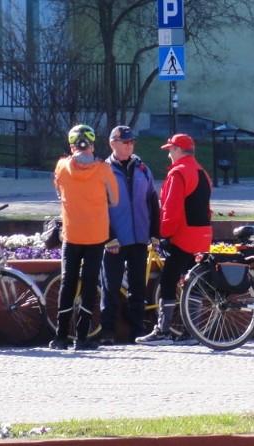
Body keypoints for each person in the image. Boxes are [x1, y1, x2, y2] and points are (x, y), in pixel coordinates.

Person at [135, 134, 212, 346]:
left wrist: (164, 234)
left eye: (170, 150)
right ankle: (192, 331)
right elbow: (206, 208)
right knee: (193, 284)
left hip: (183, 238)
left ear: (178, 150)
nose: (169, 154)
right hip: (202, 237)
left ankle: (163, 331)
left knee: (168, 281)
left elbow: (171, 209)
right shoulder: (202, 173)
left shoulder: (178, 173)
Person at [49, 124, 119, 350]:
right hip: (96, 236)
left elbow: (59, 192)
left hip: (71, 235)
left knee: (68, 283)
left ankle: (60, 337)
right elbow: (114, 200)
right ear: (92, 145)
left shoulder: (61, 167)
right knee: (89, 284)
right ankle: (81, 337)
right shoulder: (103, 169)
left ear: (71, 146)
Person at [99, 126, 161, 345]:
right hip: (115, 240)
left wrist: (154, 233)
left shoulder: (143, 168)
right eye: (125, 142)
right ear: (112, 143)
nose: (129, 145)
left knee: (137, 287)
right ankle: (107, 330)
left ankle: (137, 329)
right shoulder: (103, 170)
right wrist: (108, 237)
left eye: (132, 142)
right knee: (111, 286)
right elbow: (98, 207)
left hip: (139, 237)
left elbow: (153, 201)